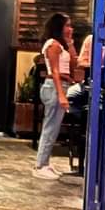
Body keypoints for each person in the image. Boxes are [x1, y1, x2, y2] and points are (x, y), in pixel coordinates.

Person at [33, 12, 77, 180]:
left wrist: (70, 43)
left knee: (54, 127)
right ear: (59, 27)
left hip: (61, 85)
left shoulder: (62, 45)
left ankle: (45, 162)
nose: (70, 28)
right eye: (67, 25)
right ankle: (40, 165)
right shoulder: (52, 44)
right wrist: (61, 95)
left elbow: (73, 63)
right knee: (50, 128)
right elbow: (55, 71)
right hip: (54, 87)